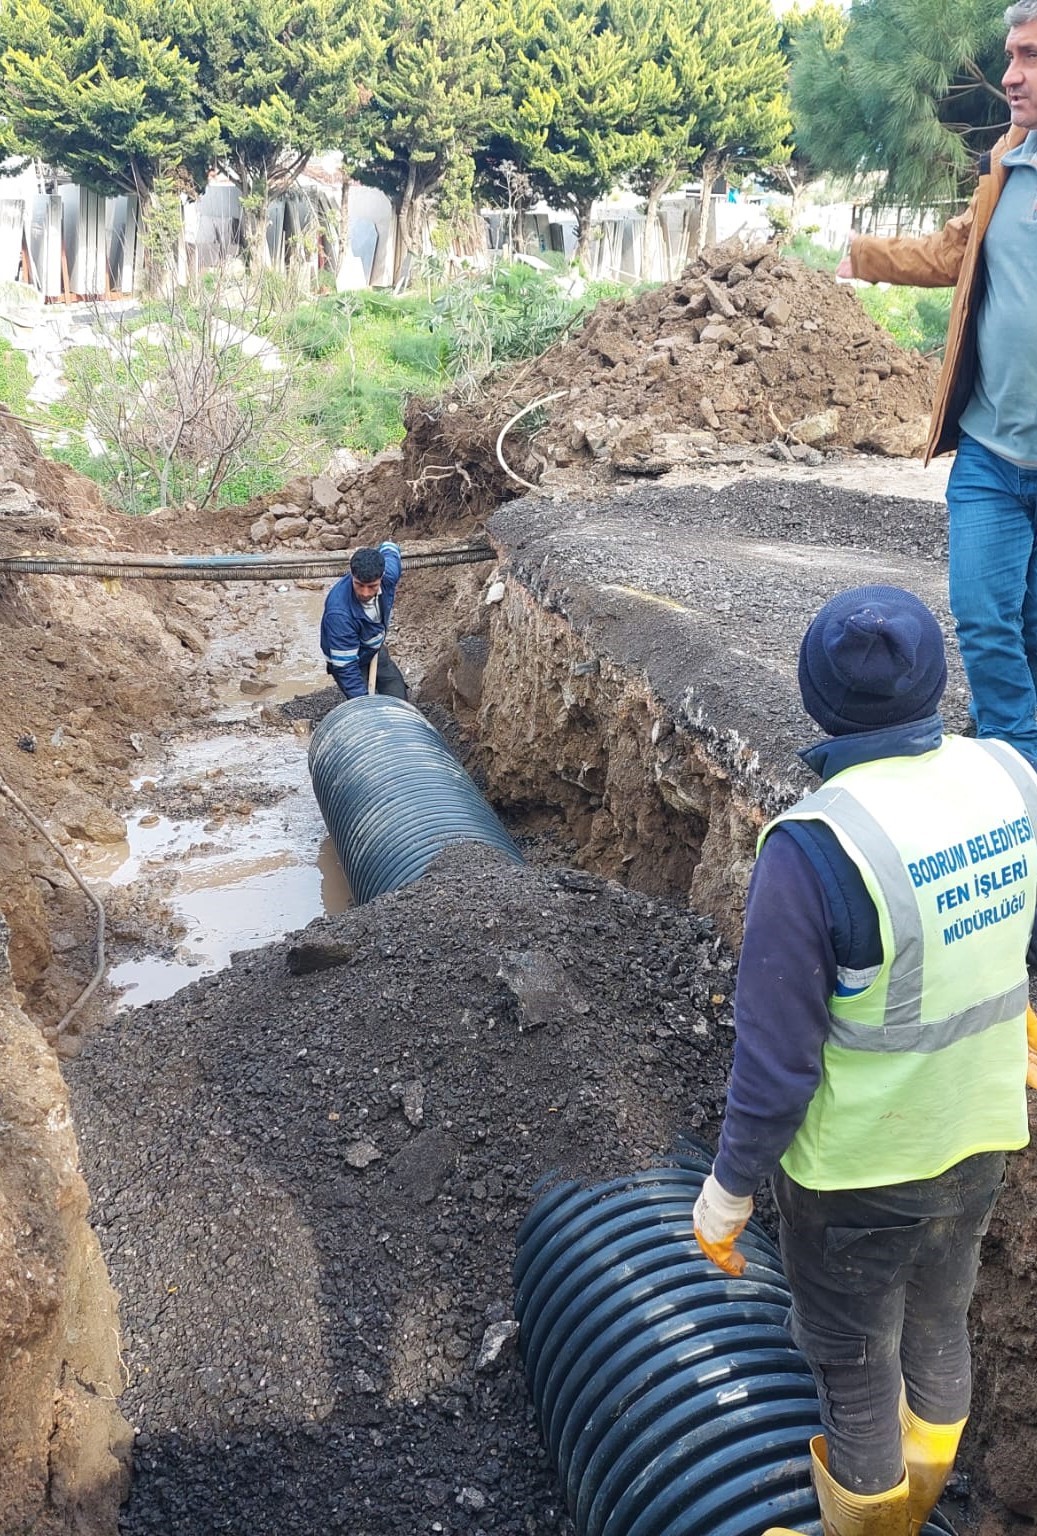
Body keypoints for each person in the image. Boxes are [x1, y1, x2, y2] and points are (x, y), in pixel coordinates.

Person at [692, 586, 1037, 1536]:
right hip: (978, 1136)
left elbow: (774, 1067)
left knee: (852, 1367)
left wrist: (726, 1192)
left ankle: (871, 1524)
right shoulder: (1010, 778)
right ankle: (925, 1495)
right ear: (935, 682)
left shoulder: (815, 847)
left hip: (857, 1176)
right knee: (938, 1321)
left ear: (815, 698)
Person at [835, 3, 1037, 766]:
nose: (1009, 76)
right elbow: (953, 253)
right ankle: (1014, 772)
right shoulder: (1006, 162)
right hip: (990, 451)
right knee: (985, 617)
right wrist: (863, 256)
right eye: (1010, 56)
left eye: (1027, 57)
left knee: (1030, 627)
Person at [320, 540, 407, 701]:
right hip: (348, 659)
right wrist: (366, 704)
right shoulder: (339, 613)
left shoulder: (389, 575)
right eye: (359, 585)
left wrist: (388, 544)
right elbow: (346, 668)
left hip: (372, 647)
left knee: (398, 695)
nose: (365, 593)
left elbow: (390, 549)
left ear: (382, 576)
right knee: (363, 700)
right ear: (352, 575)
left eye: (372, 586)